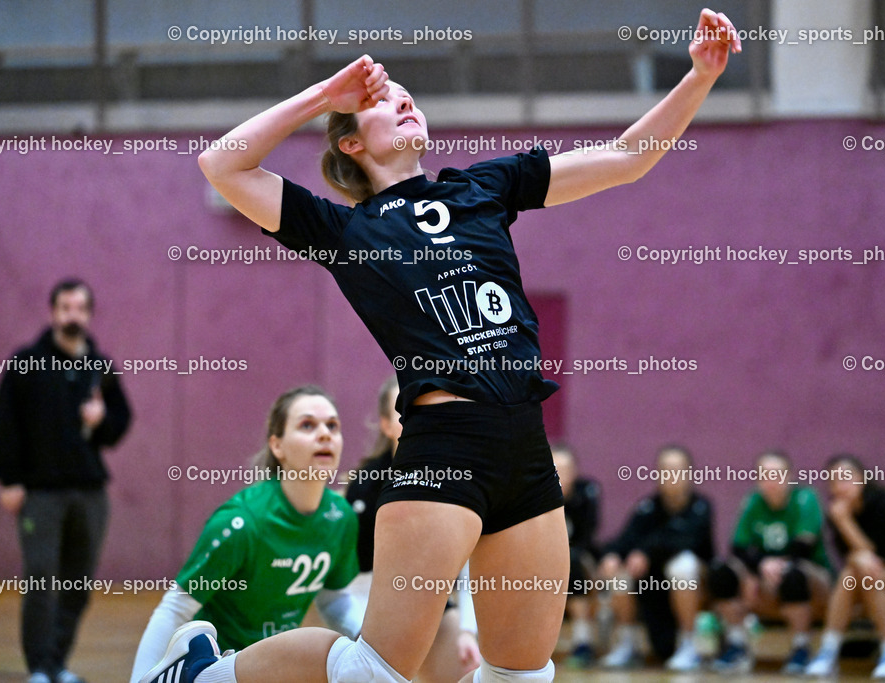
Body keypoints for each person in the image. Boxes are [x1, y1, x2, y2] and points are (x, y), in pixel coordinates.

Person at [142, 9, 740, 682]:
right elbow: (222, 164)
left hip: (524, 443)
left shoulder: (482, 187)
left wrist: (699, 76)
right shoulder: (345, 232)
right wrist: (321, 97)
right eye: (379, 101)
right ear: (349, 145)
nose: (402, 100)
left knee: (523, 672)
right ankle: (201, 673)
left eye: (406, 96)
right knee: (373, 671)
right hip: (446, 443)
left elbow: (625, 159)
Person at [131, 386, 363, 683]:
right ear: (277, 446)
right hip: (215, 667)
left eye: (332, 425)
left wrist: (367, 644)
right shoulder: (242, 523)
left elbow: (334, 599)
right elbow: (176, 606)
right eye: (307, 425)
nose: (324, 434)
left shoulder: (340, 517)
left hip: (276, 665)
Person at [0, 278, 132, 683]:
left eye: (80, 308)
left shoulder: (99, 367)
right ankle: (38, 669)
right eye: (66, 307)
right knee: (40, 579)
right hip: (39, 494)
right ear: (53, 312)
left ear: (89, 314)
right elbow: (5, 423)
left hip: (90, 493)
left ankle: (57, 664)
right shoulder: (26, 363)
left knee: (78, 584)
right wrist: (9, 479)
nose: (73, 315)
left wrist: (101, 420)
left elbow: (121, 422)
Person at [345, 376, 481, 682]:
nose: (416, 419)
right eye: (403, 411)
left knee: (467, 665)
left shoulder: (456, 480)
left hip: (431, 602)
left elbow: (470, 567)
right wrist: (357, 628)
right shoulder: (365, 488)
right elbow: (347, 578)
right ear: (385, 424)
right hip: (368, 608)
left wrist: (467, 632)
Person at [805, 454, 885, 679]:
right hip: (869, 593)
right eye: (834, 481)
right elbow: (853, 559)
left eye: (847, 478)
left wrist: (846, 524)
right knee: (854, 572)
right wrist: (853, 547)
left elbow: (877, 559)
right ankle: (828, 651)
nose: (841, 486)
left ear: (862, 479)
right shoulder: (836, 515)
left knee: (867, 573)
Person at [707, 450, 831, 674]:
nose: (771, 481)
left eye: (777, 475)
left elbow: (804, 546)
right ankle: (737, 644)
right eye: (764, 475)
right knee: (721, 573)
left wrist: (773, 565)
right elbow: (739, 547)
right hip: (765, 572)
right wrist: (761, 567)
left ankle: (801, 647)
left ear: (790, 476)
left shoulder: (806, 498)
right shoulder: (754, 501)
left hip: (811, 574)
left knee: (792, 575)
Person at [597, 445, 714, 672]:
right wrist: (612, 556)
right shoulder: (648, 507)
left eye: (677, 469)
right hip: (653, 587)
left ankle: (689, 644)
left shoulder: (701, 506)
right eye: (665, 470)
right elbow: (625, 539)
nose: (670, 475)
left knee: (683, 564)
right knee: (619, 572)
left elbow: (684, 540)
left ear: (689, 473)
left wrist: (646, 552)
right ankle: (627, 643)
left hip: (697, 585)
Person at [550, 446, 602, 668]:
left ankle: (583, 641)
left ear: (575, 471)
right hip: (543, 558)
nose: (560, 474)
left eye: (565, 468)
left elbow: (587, 534)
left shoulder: (587, 493)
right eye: (555, 468)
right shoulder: (536, 495)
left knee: (574, 563)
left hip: (579, 555)